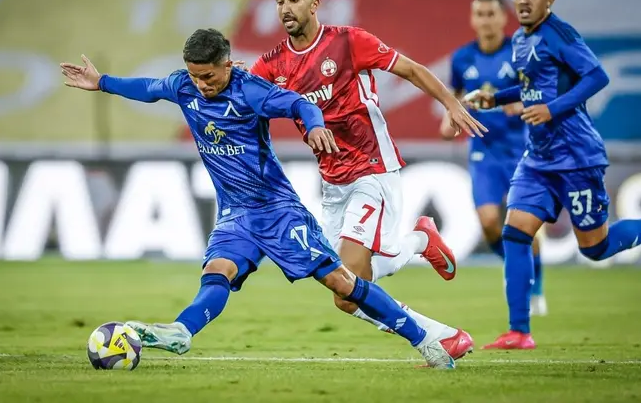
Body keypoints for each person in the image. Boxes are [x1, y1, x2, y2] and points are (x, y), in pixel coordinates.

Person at [60, 28, 460, 369]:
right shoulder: (182, 86)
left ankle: (425, 339)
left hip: (277, 211)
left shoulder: (249, 91)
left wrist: (315, 125)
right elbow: (148, 89)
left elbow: (298, 103)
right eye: (196, 76)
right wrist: (102, 82)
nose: (202, 85)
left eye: (208, 76)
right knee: (218, 270)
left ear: (227, 64)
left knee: (342, 283)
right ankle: (182, 330)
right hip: (236, 214)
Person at [249, 0, 486, 360]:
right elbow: (241, 97)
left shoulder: (348, 41)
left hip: (372, 168)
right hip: (332, 181)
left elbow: (411, 69)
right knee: (345, 294)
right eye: (279, 1)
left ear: (314, 3)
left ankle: (436, 338)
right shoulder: (272, 65)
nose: (286, 8)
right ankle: (421, 245)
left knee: (351, 273)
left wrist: (451, 103)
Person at [466, 0, 641, 350]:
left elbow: (597, 76)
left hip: (576, 157)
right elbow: (530, 87)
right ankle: (519, 332)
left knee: (595, 248)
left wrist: (552, 110)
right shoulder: (521, 39)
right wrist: (496, 98)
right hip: (538, 158)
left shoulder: (560, 33)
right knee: (515, 233)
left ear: (549, 0)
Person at [440, 0, 547, 316]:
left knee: (523, 225)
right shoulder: (462, 59)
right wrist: (449, 120)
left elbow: (541, 95)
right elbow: (455, 99)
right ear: (472, 20)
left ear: (503, 18)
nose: (485, 20)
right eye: (480, 14)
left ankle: (535, 288)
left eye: (491, 14)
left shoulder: (520, 55)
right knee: (489, 224)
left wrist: (521, 104)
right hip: (483, 153)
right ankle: (515, 268)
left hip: (520, 152)